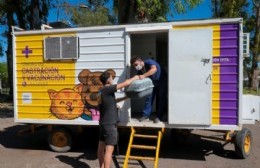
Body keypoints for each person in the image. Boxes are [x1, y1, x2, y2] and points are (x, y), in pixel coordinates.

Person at [97, 71, 138, 168]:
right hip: (110, 124)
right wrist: (136, 77)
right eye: (111, 78)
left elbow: (111, 102)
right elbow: (126, 83)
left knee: (101, 147)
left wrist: (125, 97)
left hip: (103, 123)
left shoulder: (101, 91)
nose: (112, 79)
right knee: (109, 150)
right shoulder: (108, 89)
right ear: (108, 80)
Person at [131, 56, 167, 123]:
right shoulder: (139, 70)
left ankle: (159, 117)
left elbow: (154, 69)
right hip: (152, 82)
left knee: (161, 98)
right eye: (134, 66)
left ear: (141, 61)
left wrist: (144, 75)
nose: (136, 66)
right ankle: (146, 115)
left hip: (162, 80)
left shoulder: (149, 61)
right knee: (149, 97)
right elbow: (139, 78)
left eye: (136, 64)